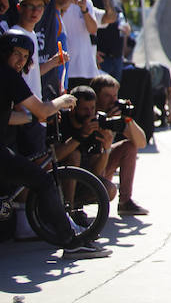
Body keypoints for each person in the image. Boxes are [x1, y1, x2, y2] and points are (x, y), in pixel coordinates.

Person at [0, 32, 110, 258]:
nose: (20, 60)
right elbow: (41, 109)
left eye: (25, 56)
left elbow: (9, 116)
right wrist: (61, 102)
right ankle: (70, 242)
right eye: (16, 54)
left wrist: (34, 117)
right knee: (42, 180)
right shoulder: (8, 76)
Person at [89, 74, 149, 216]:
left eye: (115, 96)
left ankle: (125, 202)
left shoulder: (114, 115)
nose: (112, 101)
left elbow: (141, 143)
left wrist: (127, 118)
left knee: (129, 146)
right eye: (107, 96)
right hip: (91, 168)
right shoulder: (89, 114)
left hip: (105, 164)